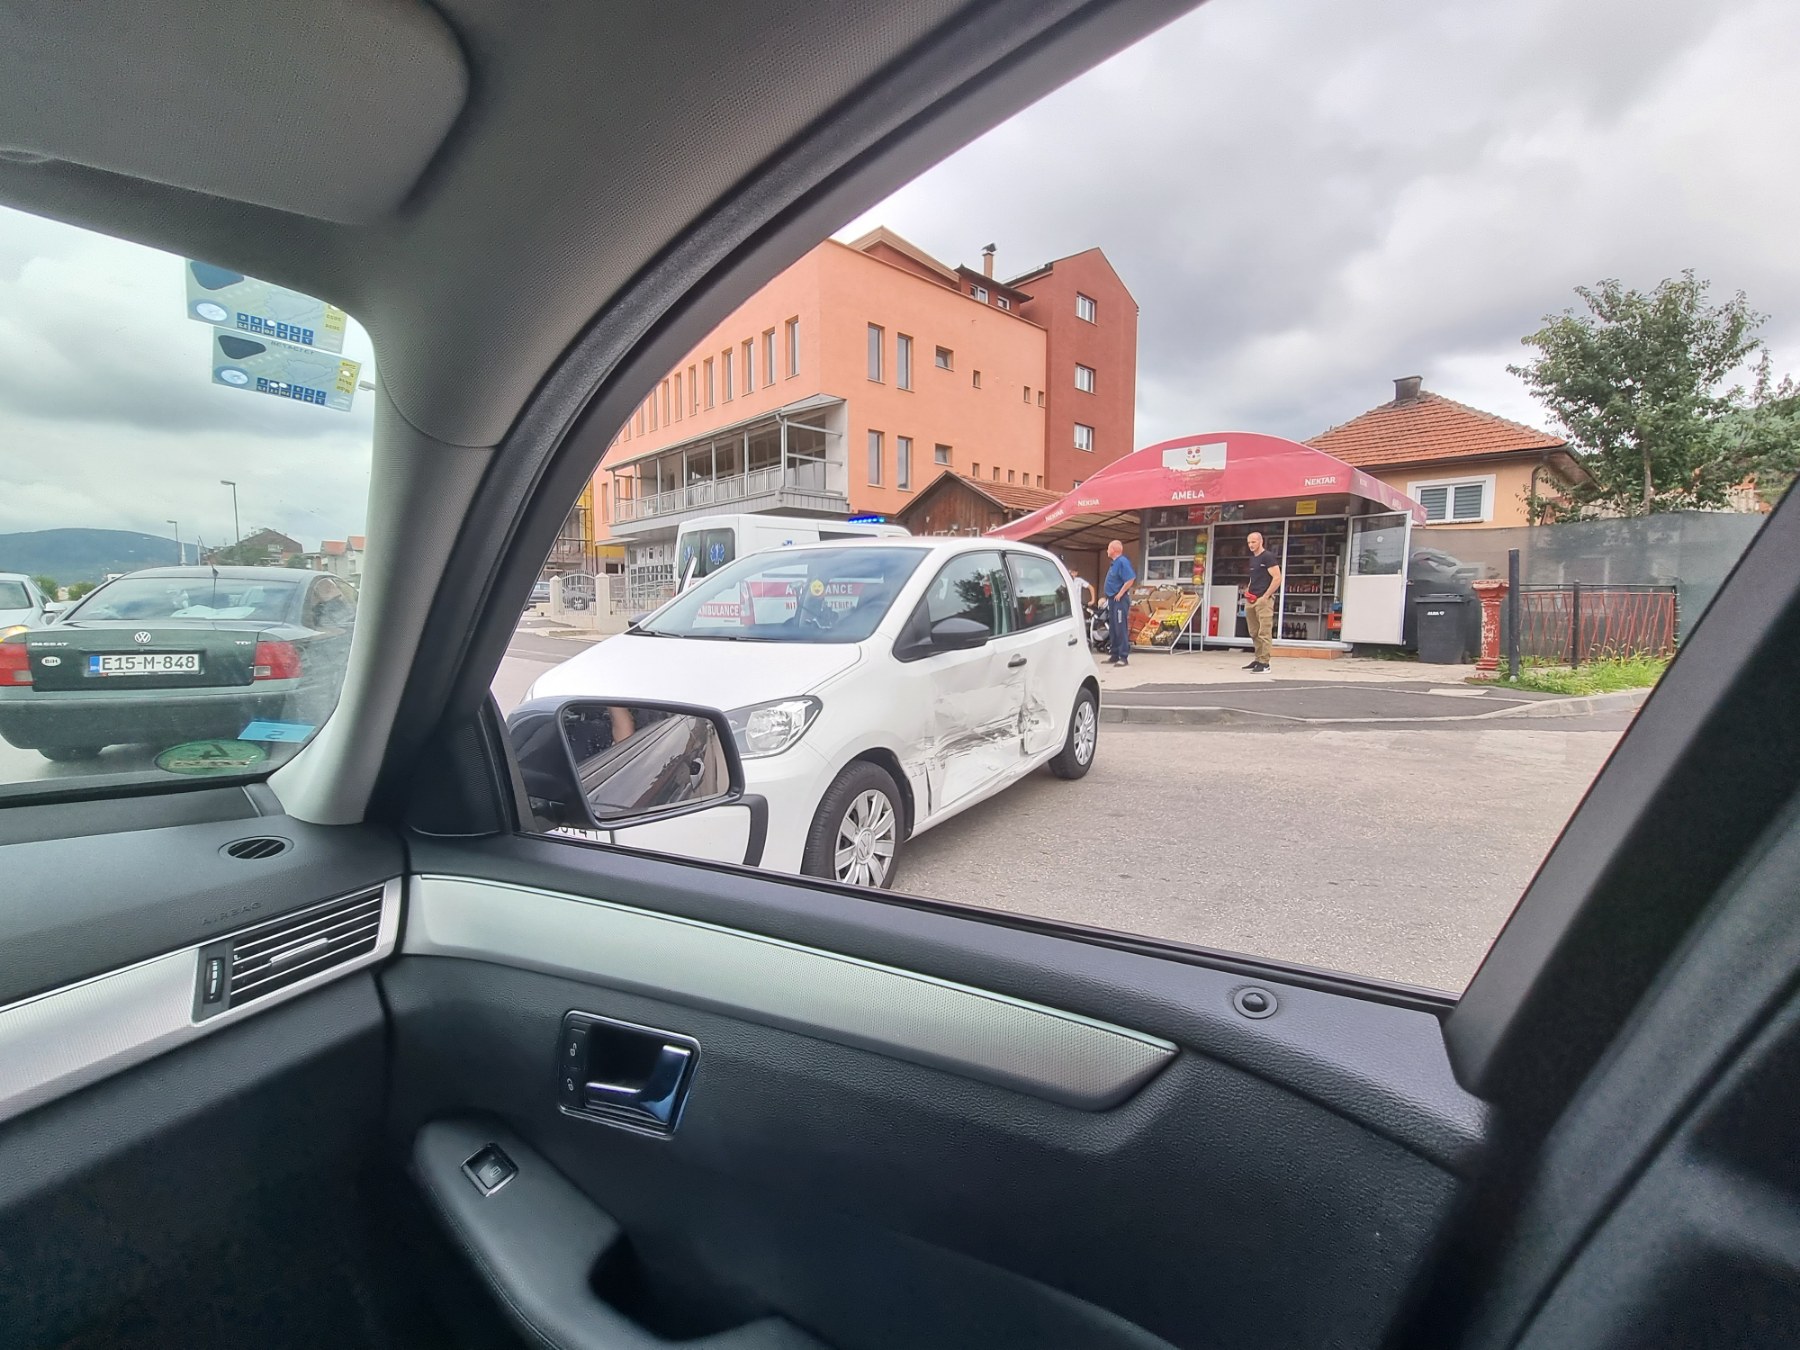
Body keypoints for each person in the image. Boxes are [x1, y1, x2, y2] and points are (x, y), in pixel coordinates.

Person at [1242, 530, 1282, 672]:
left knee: (1264, 632)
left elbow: (1277, 577)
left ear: (1261, 541)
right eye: (1249, 542)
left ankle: (1265, 663)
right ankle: (1258, 659)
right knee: (1254, 631)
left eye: (1253, 542)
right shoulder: (1253, 559)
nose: (1251, 545)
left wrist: (1266, 596)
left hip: (1263, 599)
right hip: (1251, 599)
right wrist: (1248, 590)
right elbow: (1253, 577)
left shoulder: (1268, 557)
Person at [1103, 539, 1135, 667]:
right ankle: (1114, 654)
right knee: (1113, 628)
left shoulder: (1122, 561)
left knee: (1120, 627)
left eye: (1108, 548)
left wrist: (1120, 593)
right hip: (1112, 600)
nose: (1107, 550)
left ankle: (1123, 656)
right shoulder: (1114, 563)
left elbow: (1130, 578)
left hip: (1119, 600)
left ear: (1113, 550)